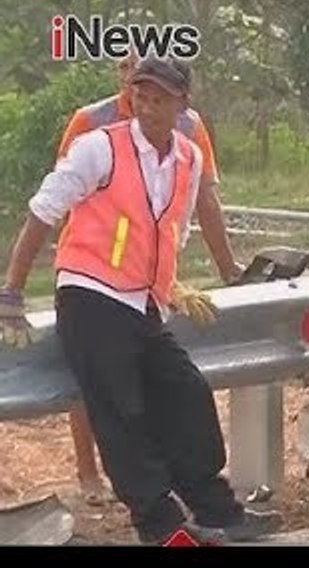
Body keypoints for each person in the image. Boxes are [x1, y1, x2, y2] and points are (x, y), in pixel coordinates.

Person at [0, 56, 282, 545]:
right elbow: (42, 213)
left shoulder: (188, 158)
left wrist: (169, 284)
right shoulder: (99, 148)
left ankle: (218, 510)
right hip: (90, 296)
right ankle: (160, 525)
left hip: (141, 303)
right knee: (122, 411)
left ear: (182, 104)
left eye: (159, 100)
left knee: (188, 394)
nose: (147, 109)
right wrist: (12, 291)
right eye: (140, 97)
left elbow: (171, 229)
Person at [57, 53, 245, 502]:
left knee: (179, 391)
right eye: (127, 73)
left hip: (144, 295)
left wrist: (212, 273)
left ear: (179, 97)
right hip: (95, 282)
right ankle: (106, 486)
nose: (136, 91)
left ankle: (207, 506)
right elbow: (62, 202)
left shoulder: (189, 136)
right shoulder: (92, 127)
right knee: (112, 398)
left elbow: (194, 207)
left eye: (150, 85)